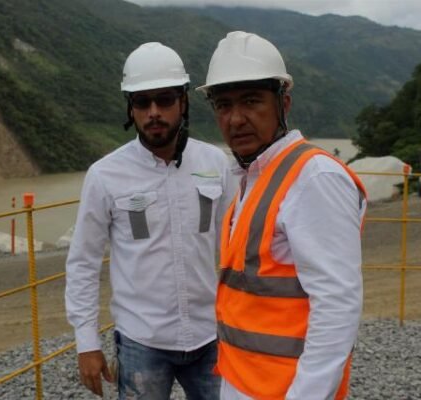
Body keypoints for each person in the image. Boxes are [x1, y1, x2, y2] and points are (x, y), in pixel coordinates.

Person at [196, 31, 367, 400]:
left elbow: (337, 308)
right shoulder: (253, 176)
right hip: (241, 380)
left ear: (283, 104)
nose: (235, 119)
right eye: (223, 105)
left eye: (251, 101)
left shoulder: (314, 178)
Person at [65, 42, 234, 399]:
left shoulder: (216, 164)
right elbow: (83, 262)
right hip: (142, 341)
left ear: (183, 102)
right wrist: (86, 343)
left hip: (211, 335)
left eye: (165, 99)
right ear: (131, 108)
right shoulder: (105, 176)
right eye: (142, 102)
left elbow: (238, 247)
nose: (154, 112)